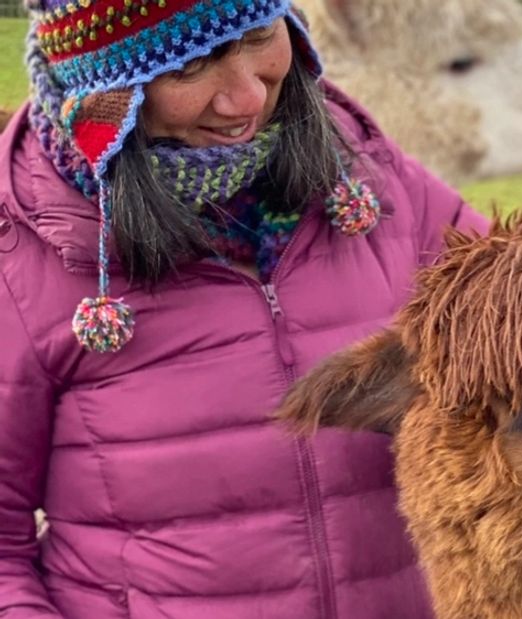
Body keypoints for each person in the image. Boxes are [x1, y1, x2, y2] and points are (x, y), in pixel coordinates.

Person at [0, 1, 486, 617]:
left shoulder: (367, 171)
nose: (246, 99)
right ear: (105, 96)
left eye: (260, 36)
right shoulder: (22, 252)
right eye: (189, 67)